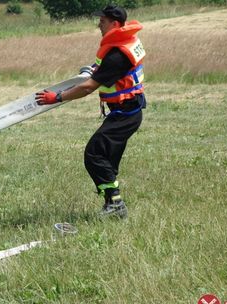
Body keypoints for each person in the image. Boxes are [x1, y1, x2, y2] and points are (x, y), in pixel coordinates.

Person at [35, 4, 146, 218]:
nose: (98, 24)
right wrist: (92, 70)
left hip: (126, 113)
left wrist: (56, 97)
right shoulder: (124, 43)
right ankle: (113, 204)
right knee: (107, 159)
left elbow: (88, 87)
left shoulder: (118, 55)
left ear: (114, 24)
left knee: (94, 154)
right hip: (125, 110)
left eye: (102, 21)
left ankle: (116, 205)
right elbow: (106, 71)